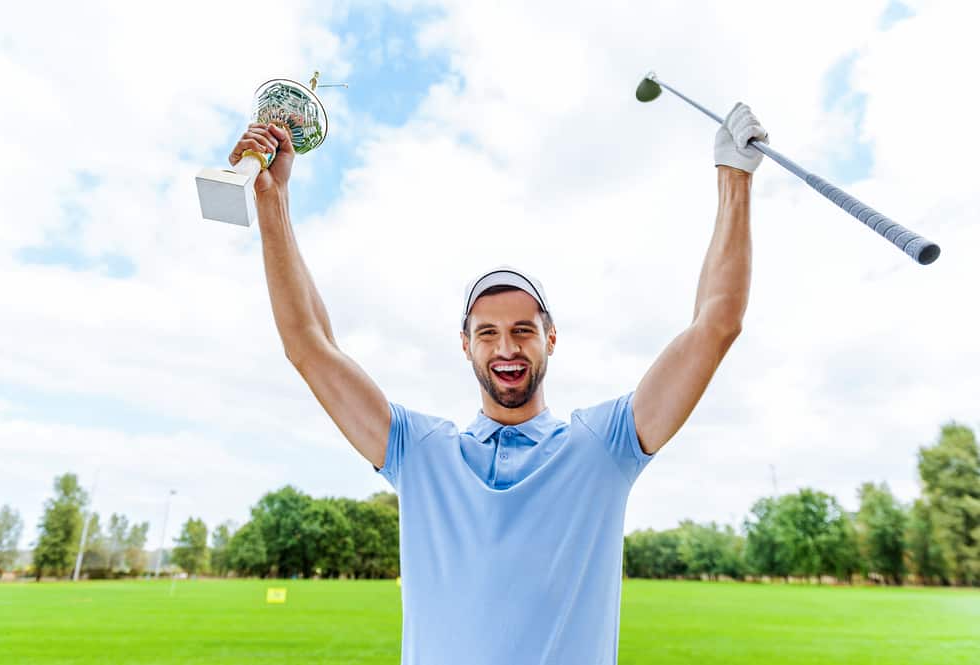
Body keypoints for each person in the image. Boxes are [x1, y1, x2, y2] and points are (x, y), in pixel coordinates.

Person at [229, 101, 767, 665]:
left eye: (522, 331)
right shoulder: (420, 452)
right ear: (465, 345)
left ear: (550, 339)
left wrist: (734, 180)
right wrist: (274, 201)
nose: (506, 348)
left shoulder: (604, 445)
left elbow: (715, 325)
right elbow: (309, 345)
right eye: (487, 333)